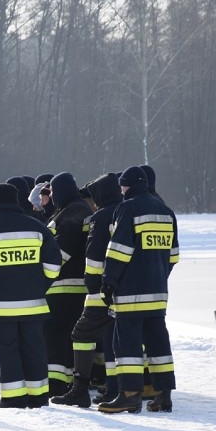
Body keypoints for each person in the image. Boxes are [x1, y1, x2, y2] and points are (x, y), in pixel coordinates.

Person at [0, 183, 62, 408]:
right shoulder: (37, 227)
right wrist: (40, 286)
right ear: (17, 201)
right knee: (34, 348)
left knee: (6, 350)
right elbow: (53, 265)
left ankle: (13, 397)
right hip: (33, 303)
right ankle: (38, 397)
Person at [97, 166, 179, 414]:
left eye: (122, 185)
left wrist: (108, 281)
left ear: (127, 186)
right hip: (158, 293)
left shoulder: (128, 208)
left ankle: (130, 395)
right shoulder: (166, 211)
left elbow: (119, 250)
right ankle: (163, 395)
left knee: (128, 346)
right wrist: (158, 277)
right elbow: (173, 256)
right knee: (158, 344)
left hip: (131, 292)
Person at [51, 172, 122, 408]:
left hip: (99, 288)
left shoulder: (99, 217)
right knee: (116, 338)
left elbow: (93, 256)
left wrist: (93, 287)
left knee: (81, 334)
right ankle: (118, 388)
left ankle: (80, 389)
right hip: (126, 288)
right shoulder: (125, 212)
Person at [44, 172, 92, 396]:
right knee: (63, 334)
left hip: (66, 284)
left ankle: (56, 382)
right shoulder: (69, 209)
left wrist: (41, 273)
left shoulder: (73, 212)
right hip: (67, 283)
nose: (51, 196)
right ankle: (65, 379)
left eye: (52, 191)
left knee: (56, 333)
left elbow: (63, 250)